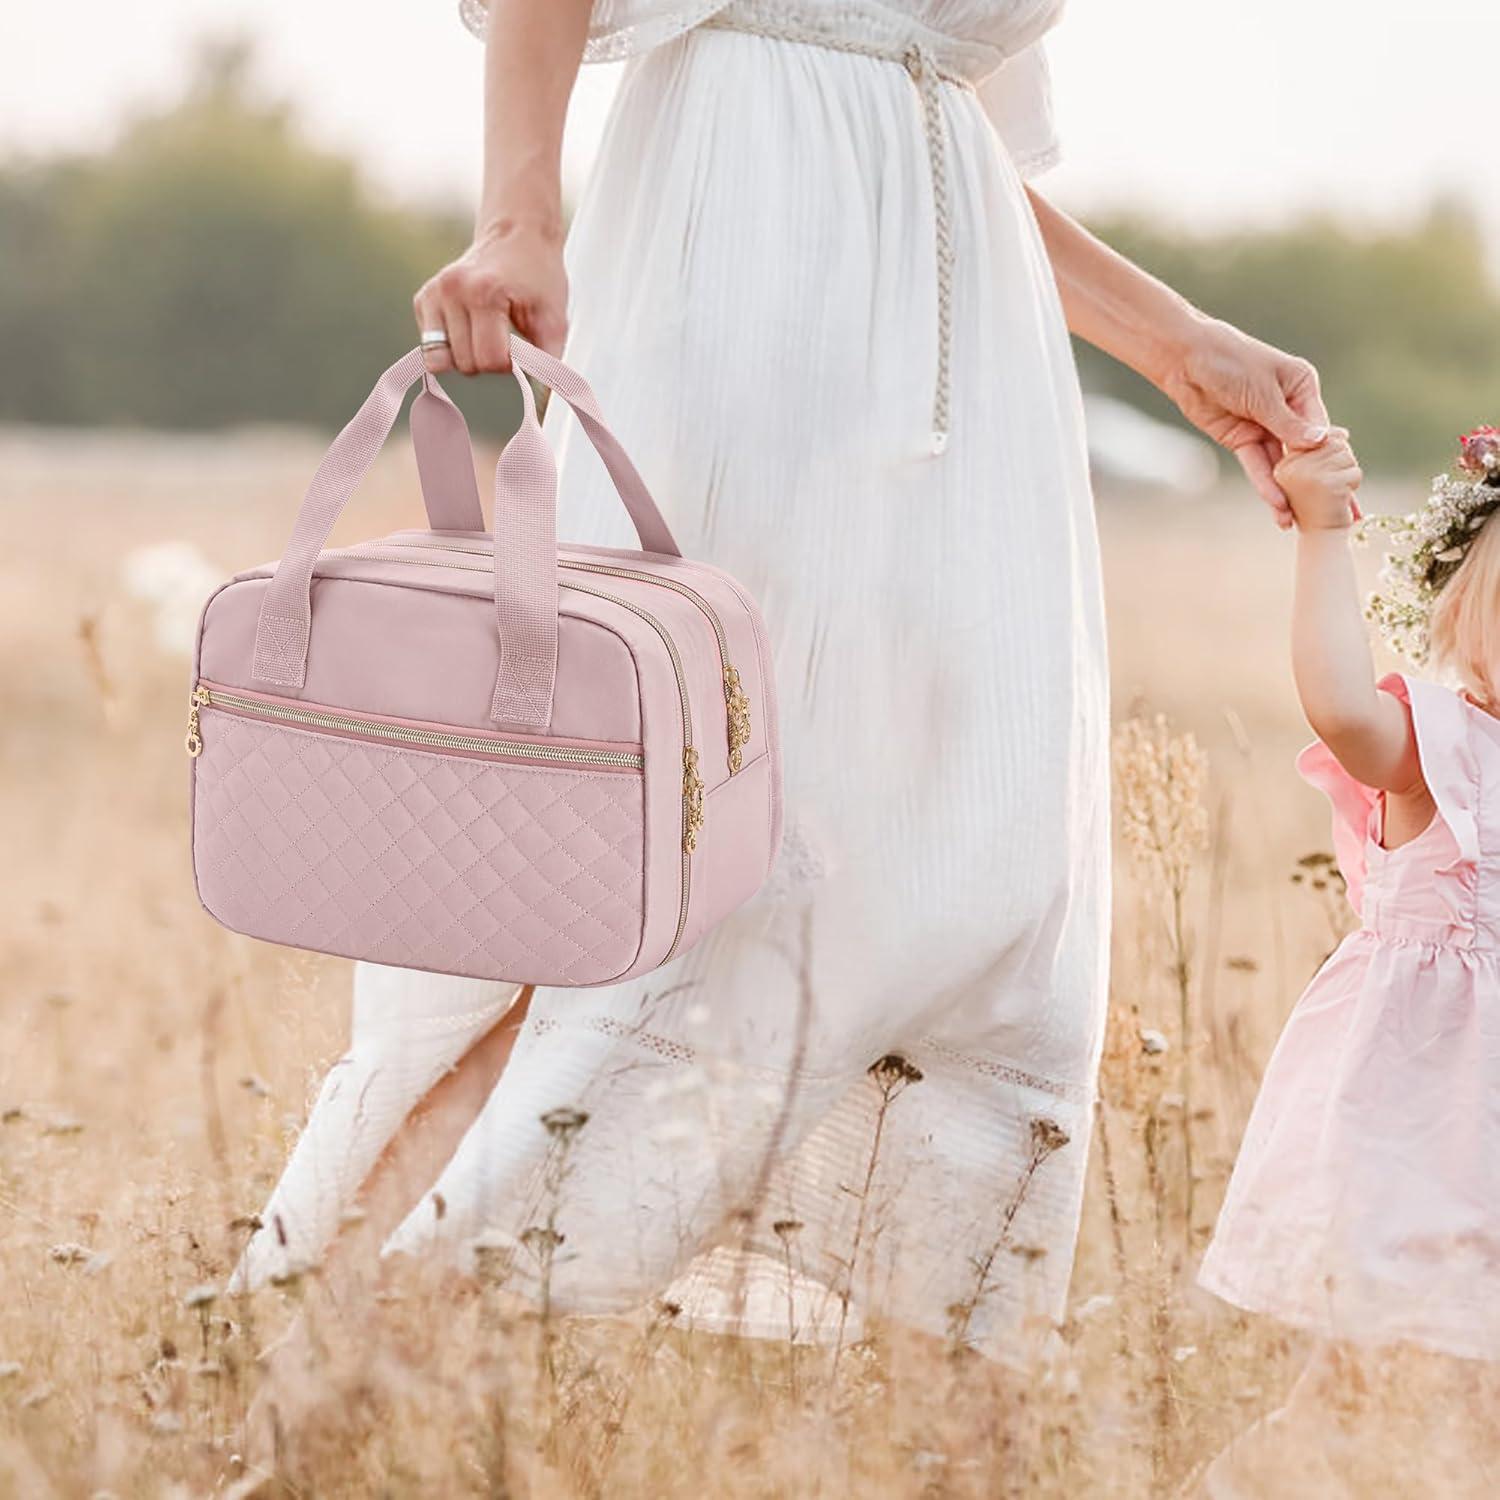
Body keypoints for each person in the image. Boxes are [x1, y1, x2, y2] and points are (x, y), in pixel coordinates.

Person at [232, 0, 1330, 1360]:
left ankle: (927, 1372)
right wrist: (520, 211)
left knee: (963, 857)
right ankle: (364, 1334)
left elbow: (935, 120)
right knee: (671, 836)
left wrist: (1174, 342)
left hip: (967, 365)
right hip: (739, 252)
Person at [1198, 424, 1500, 1489]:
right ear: (1466, 609)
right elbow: (1336, 702)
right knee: (1356, 1393)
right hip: (1423, 1136)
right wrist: (1323, 529)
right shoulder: (1441, 746)